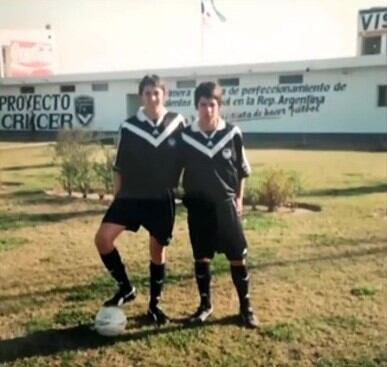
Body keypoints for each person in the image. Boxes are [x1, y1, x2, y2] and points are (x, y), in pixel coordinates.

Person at [94, 74, 185, 325]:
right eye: (147, 93)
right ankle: (126, 288)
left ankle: (154, 306)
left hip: (161, 198)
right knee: (103, 239)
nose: (152, 97)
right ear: (141, 96)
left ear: (164, 94)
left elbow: (187, 159)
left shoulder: (178, 122)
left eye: (156, 92)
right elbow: (119, 167)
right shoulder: (129, 126)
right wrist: (117, 197)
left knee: (157, 251)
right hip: (131, 195)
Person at [177, 81, 259, 328]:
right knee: (202, 258)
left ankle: (246, 308)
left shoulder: (232, 134)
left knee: (237, 257)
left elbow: (242, 171)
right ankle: (205, 306)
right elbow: (174, 171)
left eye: (212, 105)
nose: (208, 110)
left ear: (219, 106)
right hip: (199, 207)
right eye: (203, 105)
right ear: (196, 106)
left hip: (226, 205)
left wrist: (239, 198)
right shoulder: (186, 136)